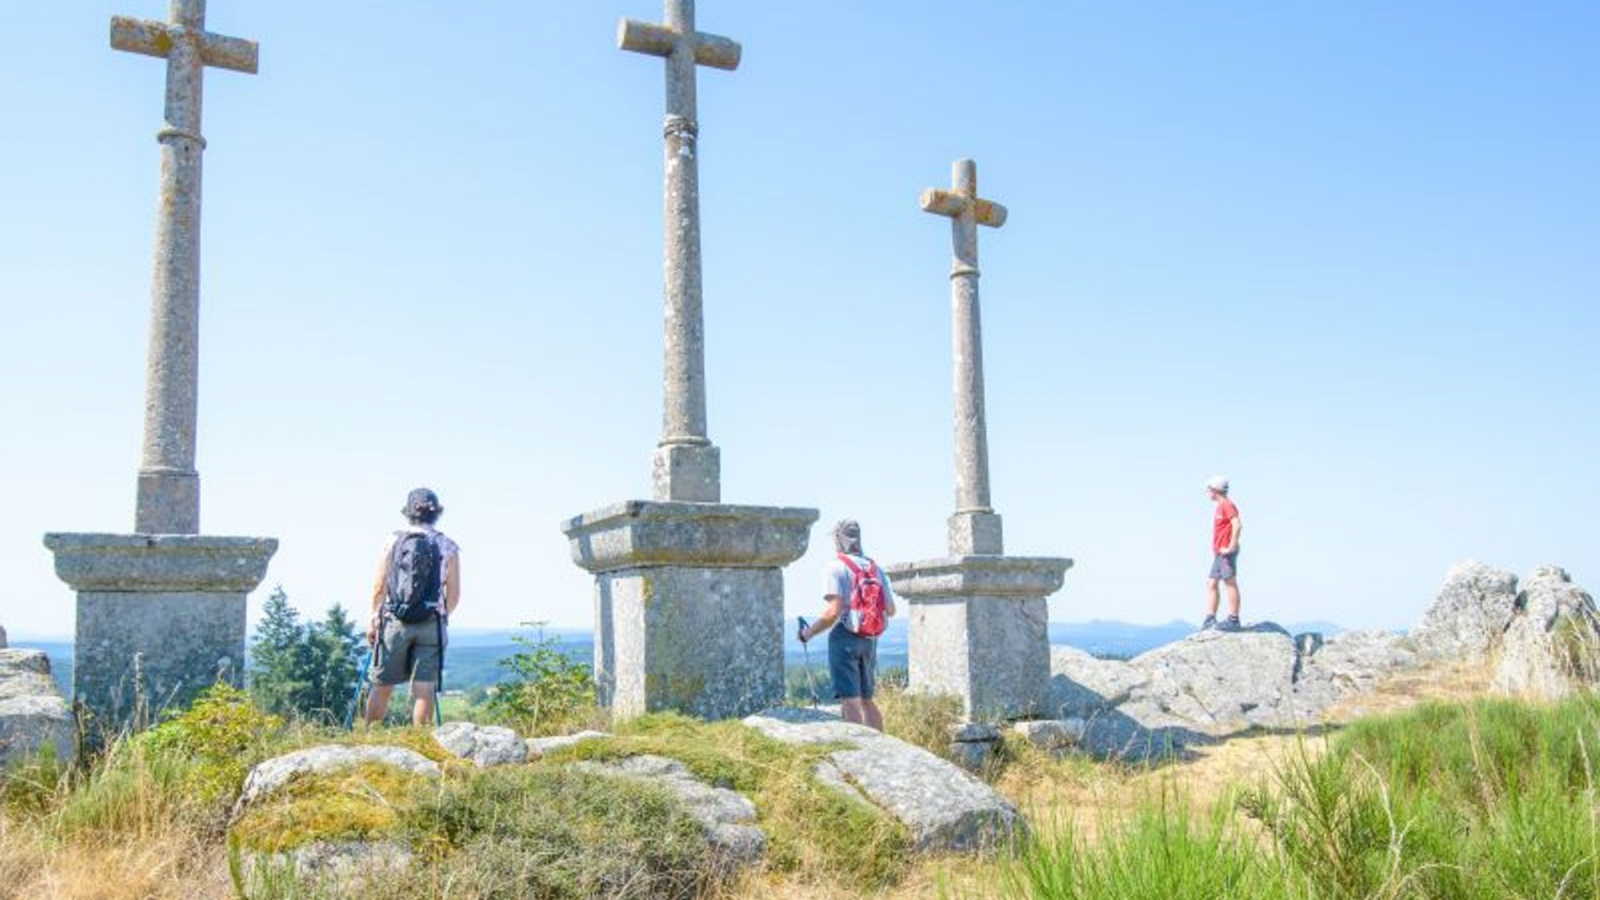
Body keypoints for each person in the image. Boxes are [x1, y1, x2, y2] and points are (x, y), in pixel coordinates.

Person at [365, 487, 461, 725]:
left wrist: (374, 618)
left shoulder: (393, 541)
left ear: (408, 512)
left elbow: (379, 586)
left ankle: (369, 740)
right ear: (436, 513)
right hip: (431, 622)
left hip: (394, 620)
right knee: (424, 691)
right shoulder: (447, 545)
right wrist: (441, 615)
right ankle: (420, 743)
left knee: (382, 686)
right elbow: (454, 593)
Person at [798, 519, 897, 731]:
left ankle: (860, 750)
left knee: (850, 700)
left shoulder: (835, 567)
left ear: (837, 539)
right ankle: (881, 746)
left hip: (844, 637)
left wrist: (808, 633)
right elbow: (891, 609)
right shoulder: (875, 568)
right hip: (870, 638)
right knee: (867, 700)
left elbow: (833, 612)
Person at [1201, 475, 1243, 632]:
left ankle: (1233, 619)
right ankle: (1210, 618)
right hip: (1219, 553)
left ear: (1214, 490)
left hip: (1226, 552)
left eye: (1209, 490)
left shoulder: (1227, 505)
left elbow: (1237, 525)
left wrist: (1231, 546)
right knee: (1212, 583)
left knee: (1229, 582)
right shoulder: (1221, 506)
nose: (1207, 493)